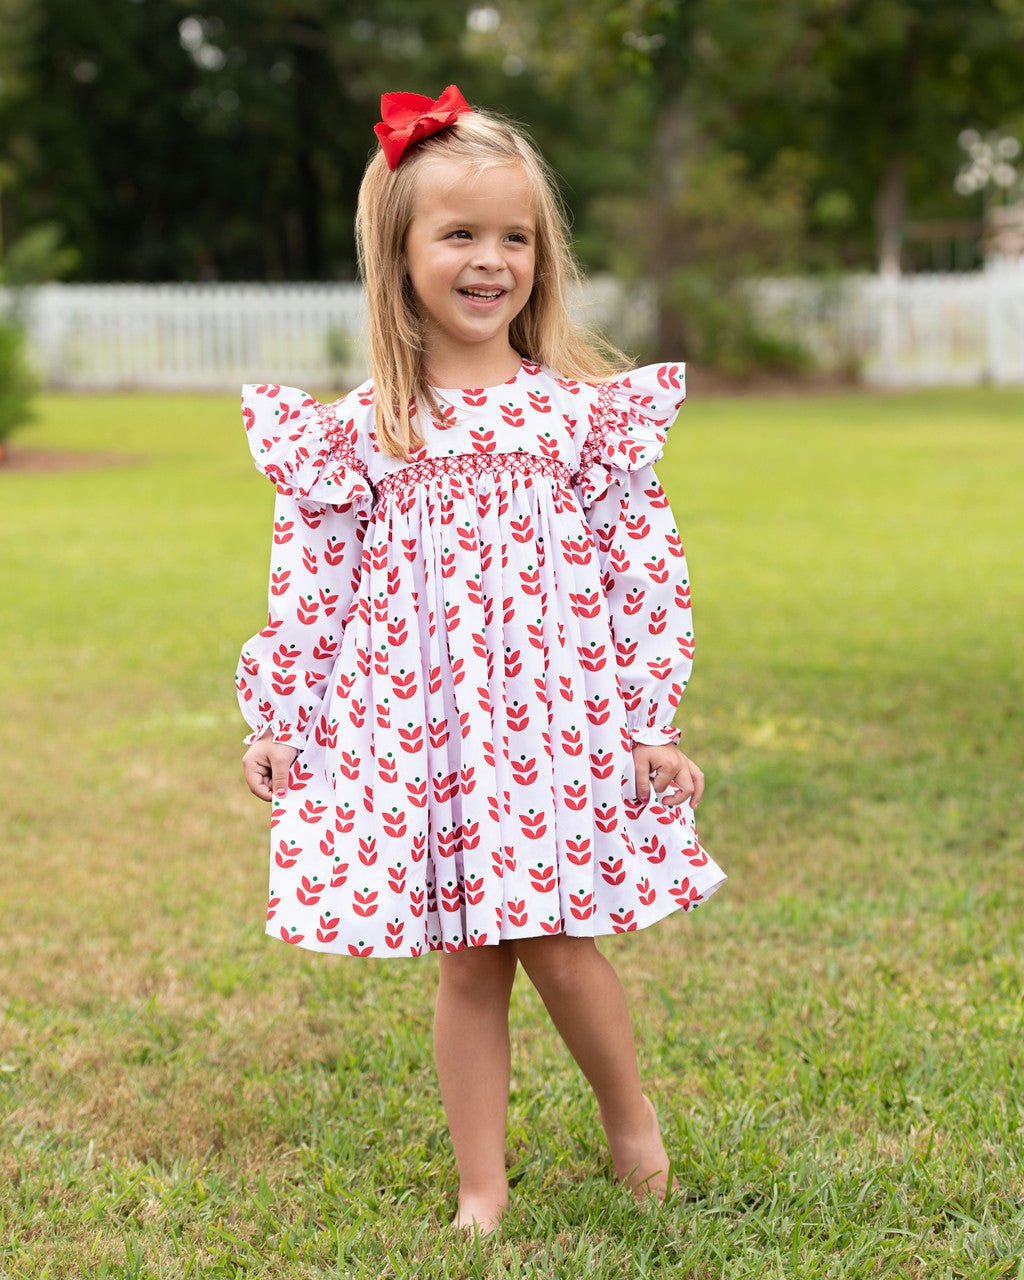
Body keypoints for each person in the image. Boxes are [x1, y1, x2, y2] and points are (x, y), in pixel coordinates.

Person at [236, 85, 725, 1233]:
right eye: (459, 234)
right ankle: (481, 1187)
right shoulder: (363, 432)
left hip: (555, 718)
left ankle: (630, 1123)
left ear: (541, 257)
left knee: (558, 940)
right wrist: (281, 716)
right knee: (466, 960)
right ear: (398, 253)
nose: (489, 259)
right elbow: (310, 586)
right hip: (428, 732)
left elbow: (642, 564)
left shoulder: (575, 418)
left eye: (514, 237)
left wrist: (651, 716)